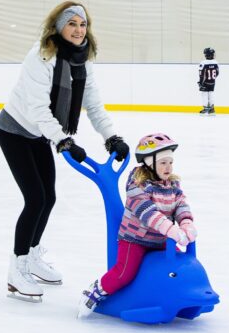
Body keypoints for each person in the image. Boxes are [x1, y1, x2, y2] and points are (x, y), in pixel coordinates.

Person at [0, 1, 129, 302]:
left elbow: (93, 104)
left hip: (41, 133)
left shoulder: (84, 60)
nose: (79, 30)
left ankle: (31, 256)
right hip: (15, 130)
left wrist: (112, 138)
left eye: (83, 24)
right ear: (58, 27)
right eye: (72, 23)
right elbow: (38, 109)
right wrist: (63, 140)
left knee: (49, 197)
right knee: (35, 198)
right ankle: (16, 271)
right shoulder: (41, 56)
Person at [77, 133, 196, 318]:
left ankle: (177, 298)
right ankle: (96, 292)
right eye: (163, 162)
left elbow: (181, 204)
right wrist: (171, 229)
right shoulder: (137, 185)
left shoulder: (172, 183)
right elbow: (147, 213)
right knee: (125, 273)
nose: (168, 167)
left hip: (161, 240)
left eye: (170, 162)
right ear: (149, 162)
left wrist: (186, 222)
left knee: (180, 268)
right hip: (135, 239)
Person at [198, 47, 220, 115]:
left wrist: (200, 83)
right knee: (211, 94)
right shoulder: (216, 62)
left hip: (205, 81)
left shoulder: (203, 63)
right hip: (213, 82)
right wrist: (212, 79)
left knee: (204, 94)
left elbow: (201, 74)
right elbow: (217, 73)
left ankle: (205, 109)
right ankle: (212, 109)